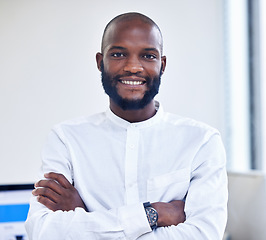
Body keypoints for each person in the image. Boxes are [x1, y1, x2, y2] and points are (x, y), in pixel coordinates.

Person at [25, 12, 228, 239]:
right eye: (119, 54)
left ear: (162, 65)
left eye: (148, 56)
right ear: (100, 63)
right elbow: (42, 231)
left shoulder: (201, 141)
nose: (133, 67)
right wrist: (153, 214)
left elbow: (204, 235)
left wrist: (84, 215)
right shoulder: (66, 138)